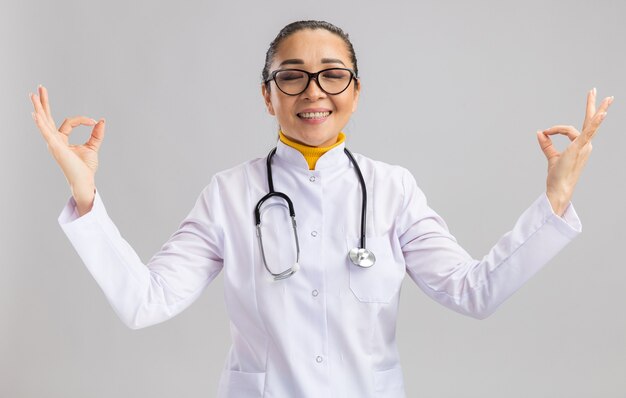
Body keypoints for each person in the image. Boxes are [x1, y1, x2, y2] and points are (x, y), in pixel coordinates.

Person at [30, 20, 612, 398]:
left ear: (355, 93)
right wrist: (87, 198)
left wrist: (555, 199)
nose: (314, 91)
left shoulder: (393, 189)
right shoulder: (229, 194)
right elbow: (145, 302)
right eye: (292, 77)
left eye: (333, 75)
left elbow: (473, 291)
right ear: (268, 95)